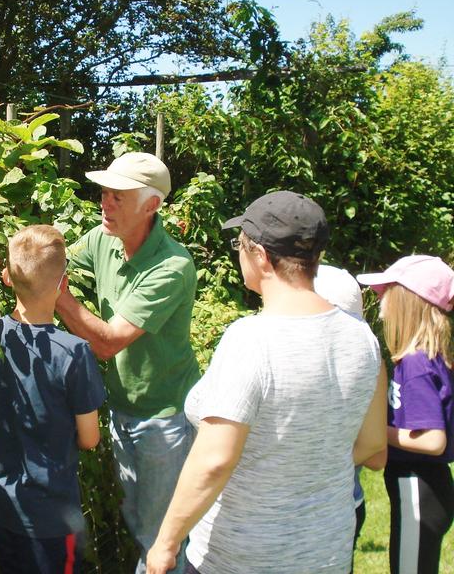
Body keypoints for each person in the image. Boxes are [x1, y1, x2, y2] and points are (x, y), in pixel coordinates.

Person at [146, 190, 385, 574]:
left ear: (259, 256)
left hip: (243, 558)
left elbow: (214, 461)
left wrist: (165, 543)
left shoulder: (251, 340)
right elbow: (373, 442)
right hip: (326, 552)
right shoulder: (362, 338)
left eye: (239, 244)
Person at [55, 152, 200, 573]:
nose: (106, 203)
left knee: (162, 537)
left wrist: (59, 299)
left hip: (165, 416)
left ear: (151, 205)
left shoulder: (172, 266)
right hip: (123, 407)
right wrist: (24, 256)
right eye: (104, 193)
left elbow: (108, 343)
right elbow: (57, 257)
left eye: (119, 196)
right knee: (139, 521)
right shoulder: (104, 237)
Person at [0, 224, 106, 574]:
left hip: (4, 504)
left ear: (7, 276)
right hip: (53, 516)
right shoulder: (74, 352)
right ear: (63, 282)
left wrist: (11, 421)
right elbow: (90, 438)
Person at [357, 255, 454, 574]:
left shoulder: (415, 364)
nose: (378, 300)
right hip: (425, 487)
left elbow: (432, 441)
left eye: (386, 292)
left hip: (418, 487)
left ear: (408, 303)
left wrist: (373, 430)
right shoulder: (427, 358)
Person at [315, 264, 389, 571]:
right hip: (347, 503)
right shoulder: (370, 358)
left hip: (307, 511)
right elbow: (375, 453)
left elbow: (376, 454)